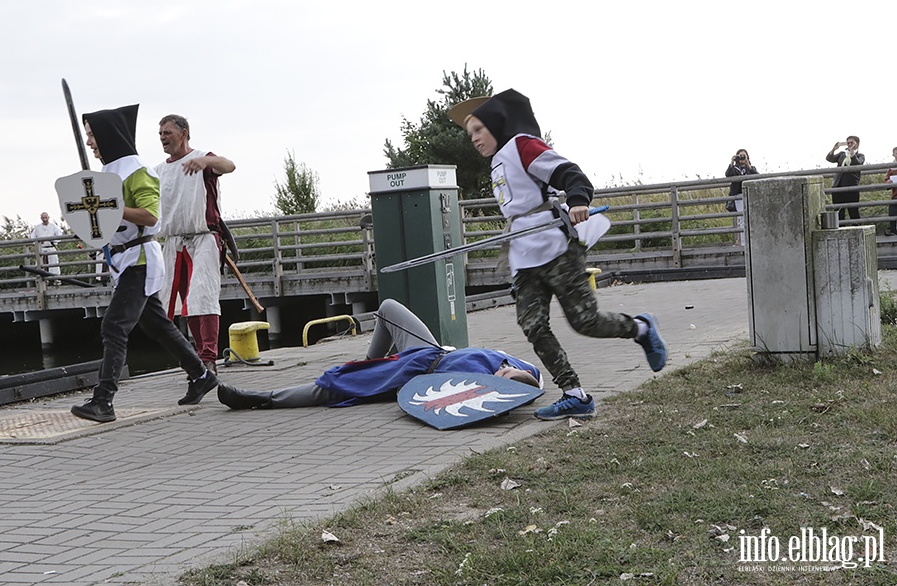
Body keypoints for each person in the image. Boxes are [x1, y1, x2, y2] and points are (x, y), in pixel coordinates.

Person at [447, 88, 667, 421]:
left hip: (556, 248)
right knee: (532, 325)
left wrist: (578, 199)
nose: (474, 138)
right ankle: (574, 394)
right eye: (470, 134)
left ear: (495, 124)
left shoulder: (522, 145)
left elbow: (569, 172)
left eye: (479, 129)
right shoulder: (496, 164)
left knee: (585, 322)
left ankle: (640, 329)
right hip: (524, 255)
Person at [70, 104, 224, 423]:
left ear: (109, 136)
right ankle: (200, 375)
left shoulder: (137, 171)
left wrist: (107, 206)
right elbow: (109, 221)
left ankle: (103, 400)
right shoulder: (109, 174)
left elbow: (151, 216)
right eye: (86, 136)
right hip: (124, 259)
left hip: (141, 260)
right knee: (156, 324)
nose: (89, 143)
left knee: (114, 325)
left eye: (92, 135)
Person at [217, 298, 542, 409]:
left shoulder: (493, 390)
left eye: (503, 378)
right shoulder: (522, 369)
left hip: (420, 375)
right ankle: (368, 362)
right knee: (387, 308)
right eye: (505, 373)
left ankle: (262, 397)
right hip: (431, 351)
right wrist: (517, 375)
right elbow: (531, 381)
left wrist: (511, 383)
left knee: (335, 385)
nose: (500, 375)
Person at [155, 115, 236, 375]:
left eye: (167, 132)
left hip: (203, 238)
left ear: (184, 133)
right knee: (183, 303)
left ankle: (209, 357)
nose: (163, 137)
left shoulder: (203, 159)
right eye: (160, 134)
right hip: (174, 241)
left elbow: (230, 165)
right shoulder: (158, 171)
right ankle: (199, 358)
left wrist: (206, 162)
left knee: (203, 296)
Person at [724, 149, 759, 246]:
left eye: (744, 156)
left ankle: (748, 241)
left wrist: (748, 165)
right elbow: (728, 174)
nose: (742, 158)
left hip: (749, 195)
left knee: (750, 219)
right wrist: (731, 162)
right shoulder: (735, 169)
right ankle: (743, 243)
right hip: (738, 196)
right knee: (742, 219)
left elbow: (757, 176)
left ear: (748, 157)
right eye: (740, 156)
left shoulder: (751, 168)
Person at [826, 136, 865, 222]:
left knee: (853, 212)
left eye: (852, 143)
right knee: (839, 212)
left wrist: (852, 152)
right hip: (838, 186)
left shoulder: (860, 155)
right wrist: (834, 149)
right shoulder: (842, 154)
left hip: (852, 187)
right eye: (848, 143)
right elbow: (829, 158)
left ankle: (857, 230)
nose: (850, 144)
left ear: (857, 144)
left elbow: (857, 164)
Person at [30, 212, 63, 277]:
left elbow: (59, 235)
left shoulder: (53, 226)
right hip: (41, 248)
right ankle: (43, 280)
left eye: (46, 218)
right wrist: (38, 241)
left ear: (48, 217)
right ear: (41, 218)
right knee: (41, 265)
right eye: (43, 218)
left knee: (54, 266)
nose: (44, 219)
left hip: (51, 247)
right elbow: (32, 237)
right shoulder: (37, 227)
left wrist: (53, 240)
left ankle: (56, 280)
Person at [885, 147, 897, 236]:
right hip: (895, 195)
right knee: (892, 210)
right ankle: (892, 229)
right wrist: (888, 182)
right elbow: (886, 179)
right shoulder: (891, 169)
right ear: (893, 155)